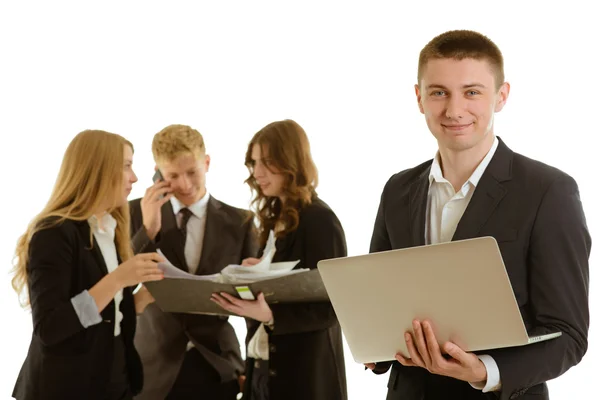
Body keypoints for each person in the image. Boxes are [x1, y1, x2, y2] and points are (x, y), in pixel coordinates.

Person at [366, 30, 591, 400]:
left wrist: (485, 371)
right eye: (439, 92)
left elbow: (569, 334)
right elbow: (380, 299)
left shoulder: (549, 191)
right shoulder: (397, 189)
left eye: (472, 92)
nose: (454, 110)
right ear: (419, 98)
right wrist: (375, 346)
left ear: (501, 97)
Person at [11, 130, 164, 400]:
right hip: (66, 385)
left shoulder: (109, 228)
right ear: (98, 170)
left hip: (113, 374)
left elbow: (106, 314)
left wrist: (140, 299)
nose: (135, 177)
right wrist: (117, 279)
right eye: (127, 165)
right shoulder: (53, 233)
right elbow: (51, 327)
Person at [211, 119, 348, 400]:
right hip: (264, 367)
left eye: (267, 162)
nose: (257, 172)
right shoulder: (275, 216)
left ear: (291, 161)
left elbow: (335, 307)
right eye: (253, 162)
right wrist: (258, 273)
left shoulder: (320, 220)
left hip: (303, 378)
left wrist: (271, 315)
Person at [129, 124, 259, 400]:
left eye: (192, 172)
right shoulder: (137, 213)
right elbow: (116, 281)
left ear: (207, 163)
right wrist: (147, 230)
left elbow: (253, 297)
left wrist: (254, 367)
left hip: (219, 366)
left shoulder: (241, 222)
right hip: (150, 366)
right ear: (158, 173)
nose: (185, 184)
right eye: (173, 175)